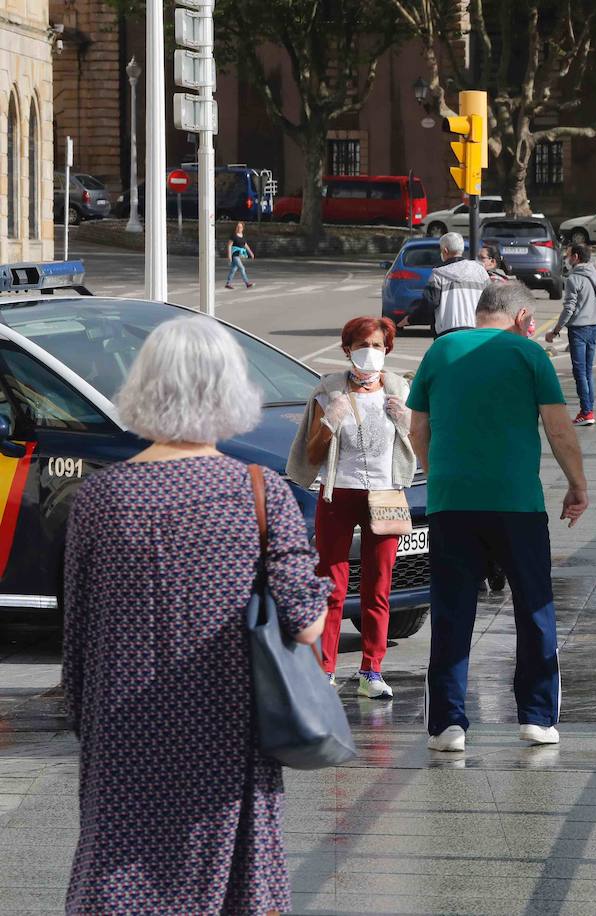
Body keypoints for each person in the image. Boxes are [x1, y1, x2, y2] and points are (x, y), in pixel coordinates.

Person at [62, 317, 330, 912]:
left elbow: (77, 635)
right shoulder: (259, 493)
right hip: (228, 733)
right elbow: (306, 624)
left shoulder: (100, 499)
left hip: (123, 729)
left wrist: (90, 726)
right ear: (230, 391)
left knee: (120, 877)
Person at [408, 283, 589, 752]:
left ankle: (448, 725)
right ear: (523, 315)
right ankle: (535, 718)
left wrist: (439, 473)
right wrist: (577, 485)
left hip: (451, 503)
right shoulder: (530, 356)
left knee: (451, 611)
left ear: (479, 311)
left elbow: (417, 429)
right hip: (516, 504)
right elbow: (558, 428)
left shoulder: (440, 350)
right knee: (533, 607)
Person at [287, 316, 416, 697]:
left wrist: (406, 421)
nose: (370, 352)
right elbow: (311, 452)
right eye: (362, 345)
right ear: (347, 349)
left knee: (379, 585)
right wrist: (330, 420)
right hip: (337, 493)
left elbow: (420, 442)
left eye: (377, 346)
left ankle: (371, 670)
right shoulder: (329, 390)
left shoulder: (399, 389)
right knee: (331, 585)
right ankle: (324, 668)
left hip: (387, 495)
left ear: (387, 349)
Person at [547, 243, 596, 427]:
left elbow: (569, 308)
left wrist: (555, 330)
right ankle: (589, 409)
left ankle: (586, 411)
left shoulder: (574, 279)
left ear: (576, 257)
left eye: (568, 256)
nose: (567, 259)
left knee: (580, 372)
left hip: (578, 329)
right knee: (587, 371)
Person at [418, 231, 490, 336]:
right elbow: (491, 299)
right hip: (477, 330)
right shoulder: (480, 271)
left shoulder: (438, 274)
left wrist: (410, 319)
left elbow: (429, 303)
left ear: (445, 250)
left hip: (449, 331)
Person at [225, 221, 254, 289]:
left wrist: (251, 253)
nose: (238, 228)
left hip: (239, 255)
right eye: (237, 227)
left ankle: (228, 283)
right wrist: (229, 256)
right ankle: (247, 283)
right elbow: (229, 246)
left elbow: (246, 245)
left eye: (240, 227)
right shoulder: (233, 236)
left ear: (242, 228)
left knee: (234, 269)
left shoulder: (242, 236)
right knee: (242, 268)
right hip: (234, 255)